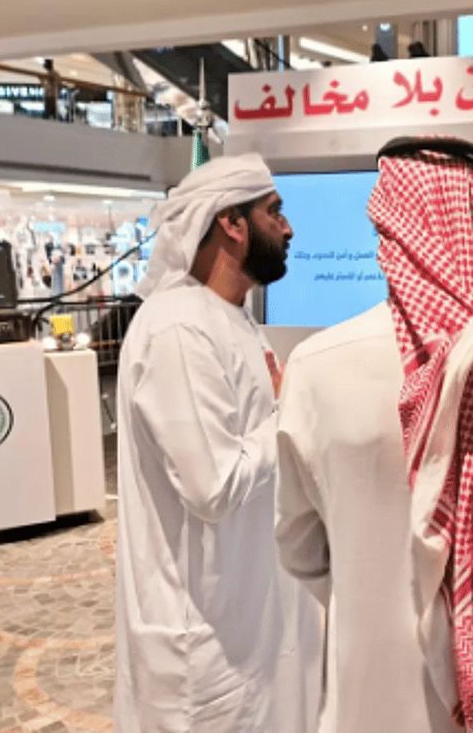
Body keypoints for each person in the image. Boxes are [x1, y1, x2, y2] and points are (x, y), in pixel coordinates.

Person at [276, 136, 473, 733]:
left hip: (376, 689)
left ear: (389, 225)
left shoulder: (317, 366)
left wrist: (375, 593)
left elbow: (298, 549)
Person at [114, 154, 321, 732]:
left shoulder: (229, 318)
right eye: (274, 212)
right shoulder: (179, 327)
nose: (288, 228)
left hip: (246, 614)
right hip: (200, 636)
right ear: (231, 223)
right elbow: (213, 486)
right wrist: (292, 410)